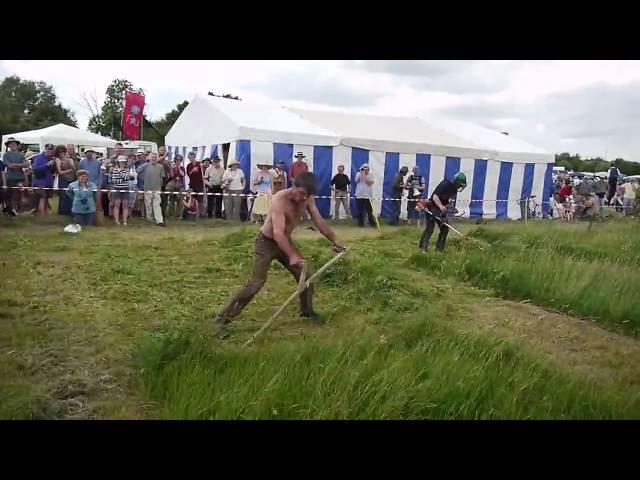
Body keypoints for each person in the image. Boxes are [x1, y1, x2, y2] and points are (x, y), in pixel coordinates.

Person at [212, 172, 346, 339]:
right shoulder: (279, 199)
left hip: (285, 241)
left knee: (306, 276)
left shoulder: (307, 198)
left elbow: (319, 222)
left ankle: (306, 311)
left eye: (307, 195)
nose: (303, 198)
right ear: (294, 186)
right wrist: (292, 256)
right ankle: (222, 319)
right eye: (302, 193)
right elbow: (277, 233)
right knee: (256, 283)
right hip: (266, 243)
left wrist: (335, 240)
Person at [419, 172, 467, 252]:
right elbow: (435, 197)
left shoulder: (454, 190)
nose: (460, 187)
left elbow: (449, 201)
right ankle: (423, 247)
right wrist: (441, 206)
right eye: (460, 185)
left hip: (441, 210)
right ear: (456, 182)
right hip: (432, 207)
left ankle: (439, 248)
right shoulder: (445, 184)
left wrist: (450, 207)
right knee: (430, 228)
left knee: (445, 228)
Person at [2, 137, 29, 216]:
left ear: (17, 145)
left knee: (18, 195)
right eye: (10, 144)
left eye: (14, 143)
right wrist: (20, 165)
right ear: (8, 146)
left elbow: (27, 164)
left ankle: (15, 210)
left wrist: (15, 165)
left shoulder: (21, 155)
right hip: (10, 177)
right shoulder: (6, 155)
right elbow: (9, 166)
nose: (12, 145)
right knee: (11, 195)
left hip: (20, 177)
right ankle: (11, 210)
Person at [139, 152, 166, 227]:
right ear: (149, 158)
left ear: (157, 158)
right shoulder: (145, 165)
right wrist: (142, 178)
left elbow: (162, 177)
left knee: (157, 205)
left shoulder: (160, 166)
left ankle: (159, 221)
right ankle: (150, 219)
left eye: (155, 157)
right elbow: (138, 171)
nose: (154, 158)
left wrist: (160, 186)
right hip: (147, 188)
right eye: (152, 157)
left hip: (157, 188)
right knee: (148, 205)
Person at [30, 144, 57, 217]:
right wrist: (47, 165)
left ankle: (39, 212)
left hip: (49, 182)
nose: (50, 151)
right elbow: (35, 170)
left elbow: (53, 171)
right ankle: (43, 215)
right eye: (49, 149)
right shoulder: (38, 158)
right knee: (42, 197)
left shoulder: (53, 159)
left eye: (52, 149)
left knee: (46, 198)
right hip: (40, 182)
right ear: (45, 149)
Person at [110, 156, 134, 225]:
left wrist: (120, 172)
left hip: (125, 189)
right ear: (118, 162)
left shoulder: (127, 170)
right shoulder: (114, 170)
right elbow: (114, 180)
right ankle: (117, 221)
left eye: (124, 162)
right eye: (121, 162)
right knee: (117, 205)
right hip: (117, 189)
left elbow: (127, 177)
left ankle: (125, 221)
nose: (122, 163)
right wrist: (123, 179)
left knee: (125, 206)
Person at [54, 145, 77, 216]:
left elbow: (74, 168)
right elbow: (60, 172)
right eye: (60, 152)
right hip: (63, 180)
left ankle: (71, 211)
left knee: (71, 195)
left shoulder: (70, 159)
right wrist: (70, 170)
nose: (61, 154)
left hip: (71, 179)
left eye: (63, 152)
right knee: (63, 196)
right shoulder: (57, 160)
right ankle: (63, 213)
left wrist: (69, 162)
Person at [354, 164, 376, 228]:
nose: (364, 170)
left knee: (369, 210)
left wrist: (365, 176)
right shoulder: (358, 174)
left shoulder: (370, 175)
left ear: (368, 169)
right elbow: (356, 181)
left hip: (368, 195)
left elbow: (370, 183)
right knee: (359, 210)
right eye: (363, 169)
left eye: (366, 169)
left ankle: (372, 223)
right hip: (359, 194)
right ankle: (360, 224)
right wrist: (361, 174)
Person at [186, 152, 205, 216]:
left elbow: (204, 173)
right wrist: (192, 171)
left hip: (199, 184)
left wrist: (202, 167)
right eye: (190, 158)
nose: (191, 159)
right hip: (192, 185)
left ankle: (201, 213)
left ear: (195, 157)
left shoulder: (199, 164)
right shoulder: (189, 165)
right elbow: (189, 174)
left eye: (192, 157)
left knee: (200, 199)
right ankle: (191, 212)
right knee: (191, 199)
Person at [166, 154, 185, 218]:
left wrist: (178, 168)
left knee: (180, 201)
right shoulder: (172, 167)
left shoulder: (182, 167)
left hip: (180, 185)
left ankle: (178, 215)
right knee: (172, 200)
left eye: (179, 160)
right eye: (177, 159)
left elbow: (183, 174)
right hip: (173, 184)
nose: (178, 161)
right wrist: (171, 169)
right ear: (175, 160)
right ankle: (170, 214)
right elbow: (171, 176)